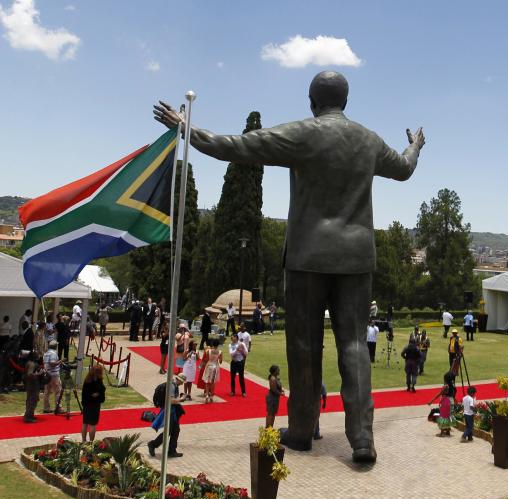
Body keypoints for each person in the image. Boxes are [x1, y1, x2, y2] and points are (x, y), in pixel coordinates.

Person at [154, 70, 425, 462]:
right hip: (356, 256)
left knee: (303, 345)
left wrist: (186, 128)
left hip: (306, 256)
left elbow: (236, 146)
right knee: (354, 345)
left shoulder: (303, 133)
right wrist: (416, 145)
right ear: (344, 101)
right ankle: (363, 437)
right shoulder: (368, 140)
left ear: (312, 101)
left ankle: (300, 429)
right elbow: (404, 167)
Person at [147, 374, 186, 458]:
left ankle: (172, 451)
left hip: (172, 411)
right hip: (170, 412)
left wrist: (179, 399)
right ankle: (153, 444)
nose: (182, 384)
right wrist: (181, 399)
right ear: (178, 380)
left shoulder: (173, 385)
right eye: (182, 382)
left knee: (175, 430)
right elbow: (171, 400)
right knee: (168, 432)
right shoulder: (172, 386)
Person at [80, 364, 106, 442]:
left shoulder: (87, 379)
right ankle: (91, 442)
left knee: (85, 423)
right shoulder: (98, 380)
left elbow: (85, 393)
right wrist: (97, 394)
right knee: (92, 425)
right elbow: (101, 390)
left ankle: (83, 440)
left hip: (86, 404)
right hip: (94, 405)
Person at [42, 340, 62, 414]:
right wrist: (60, 361)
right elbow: (52, 363)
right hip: (54, 375)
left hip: (47, 374)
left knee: (47, 392)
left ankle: (46, 408)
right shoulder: (53, 353)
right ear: (55, 346)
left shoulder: (46, 353)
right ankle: (58, 407)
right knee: (58, 391)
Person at [201, 338, 222, 403]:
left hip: (209, 365)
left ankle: (207, 395)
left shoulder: (208, 351)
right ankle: (211, 396)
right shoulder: (220, 352)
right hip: (215, 366)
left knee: (207, 381)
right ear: (218, 345)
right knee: (213, 382)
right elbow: (220, 361)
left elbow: (206, 359)